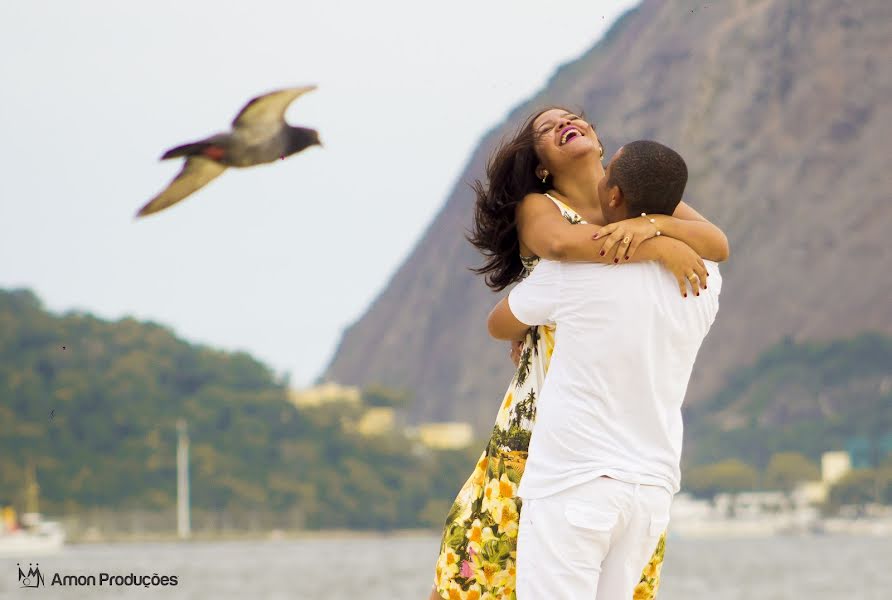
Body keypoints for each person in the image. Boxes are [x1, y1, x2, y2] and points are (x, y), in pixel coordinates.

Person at [430, 108, 729, 600]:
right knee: (478, 572)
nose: (564, 124)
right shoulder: (539, 204)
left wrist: (651, 225)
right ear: (541, 163)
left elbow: (716, 243)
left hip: (605, 436)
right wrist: (656, 247)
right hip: (542, 417)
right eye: (546, 129)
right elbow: (562, 245)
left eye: (573, 118)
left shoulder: (642, 202)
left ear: (602, 145)